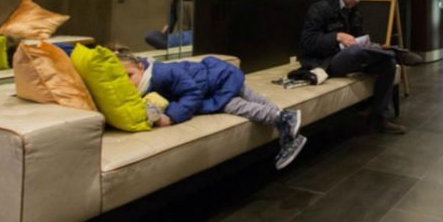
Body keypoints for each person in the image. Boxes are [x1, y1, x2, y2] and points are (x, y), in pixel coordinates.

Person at [119, 51, 307, 170]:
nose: (128, 82)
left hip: (214, 83)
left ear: (141, 67)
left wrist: (171, 117)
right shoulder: (149, 81)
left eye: (129, 76)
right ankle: (287, 127)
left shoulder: (160, 74)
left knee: (235, 105)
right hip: (220, 74)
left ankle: (283, 117)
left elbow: (192, 92)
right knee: (253, 98)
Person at [298, 0, 421, 135]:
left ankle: (379, 118)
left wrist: (362, 42)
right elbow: (307, 42)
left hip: (350, 57)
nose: (357, 0)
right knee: (356, 50)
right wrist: (336, 36)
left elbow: (357, 37)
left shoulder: (354, 10)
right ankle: (395, 52)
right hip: (325, 61)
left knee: (388, 63)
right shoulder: (321, 7)